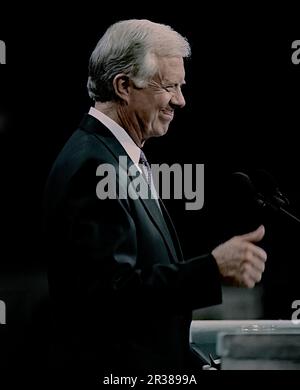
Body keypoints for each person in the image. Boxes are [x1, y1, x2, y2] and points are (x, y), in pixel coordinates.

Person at [43, 19, 267, 375]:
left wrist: (191, 364)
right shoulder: (93, 166)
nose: (180, 100)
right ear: (123, 86)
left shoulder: (113, 155)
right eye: (169, 86)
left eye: (181, 86)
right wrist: (211, 269)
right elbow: (109, 298)